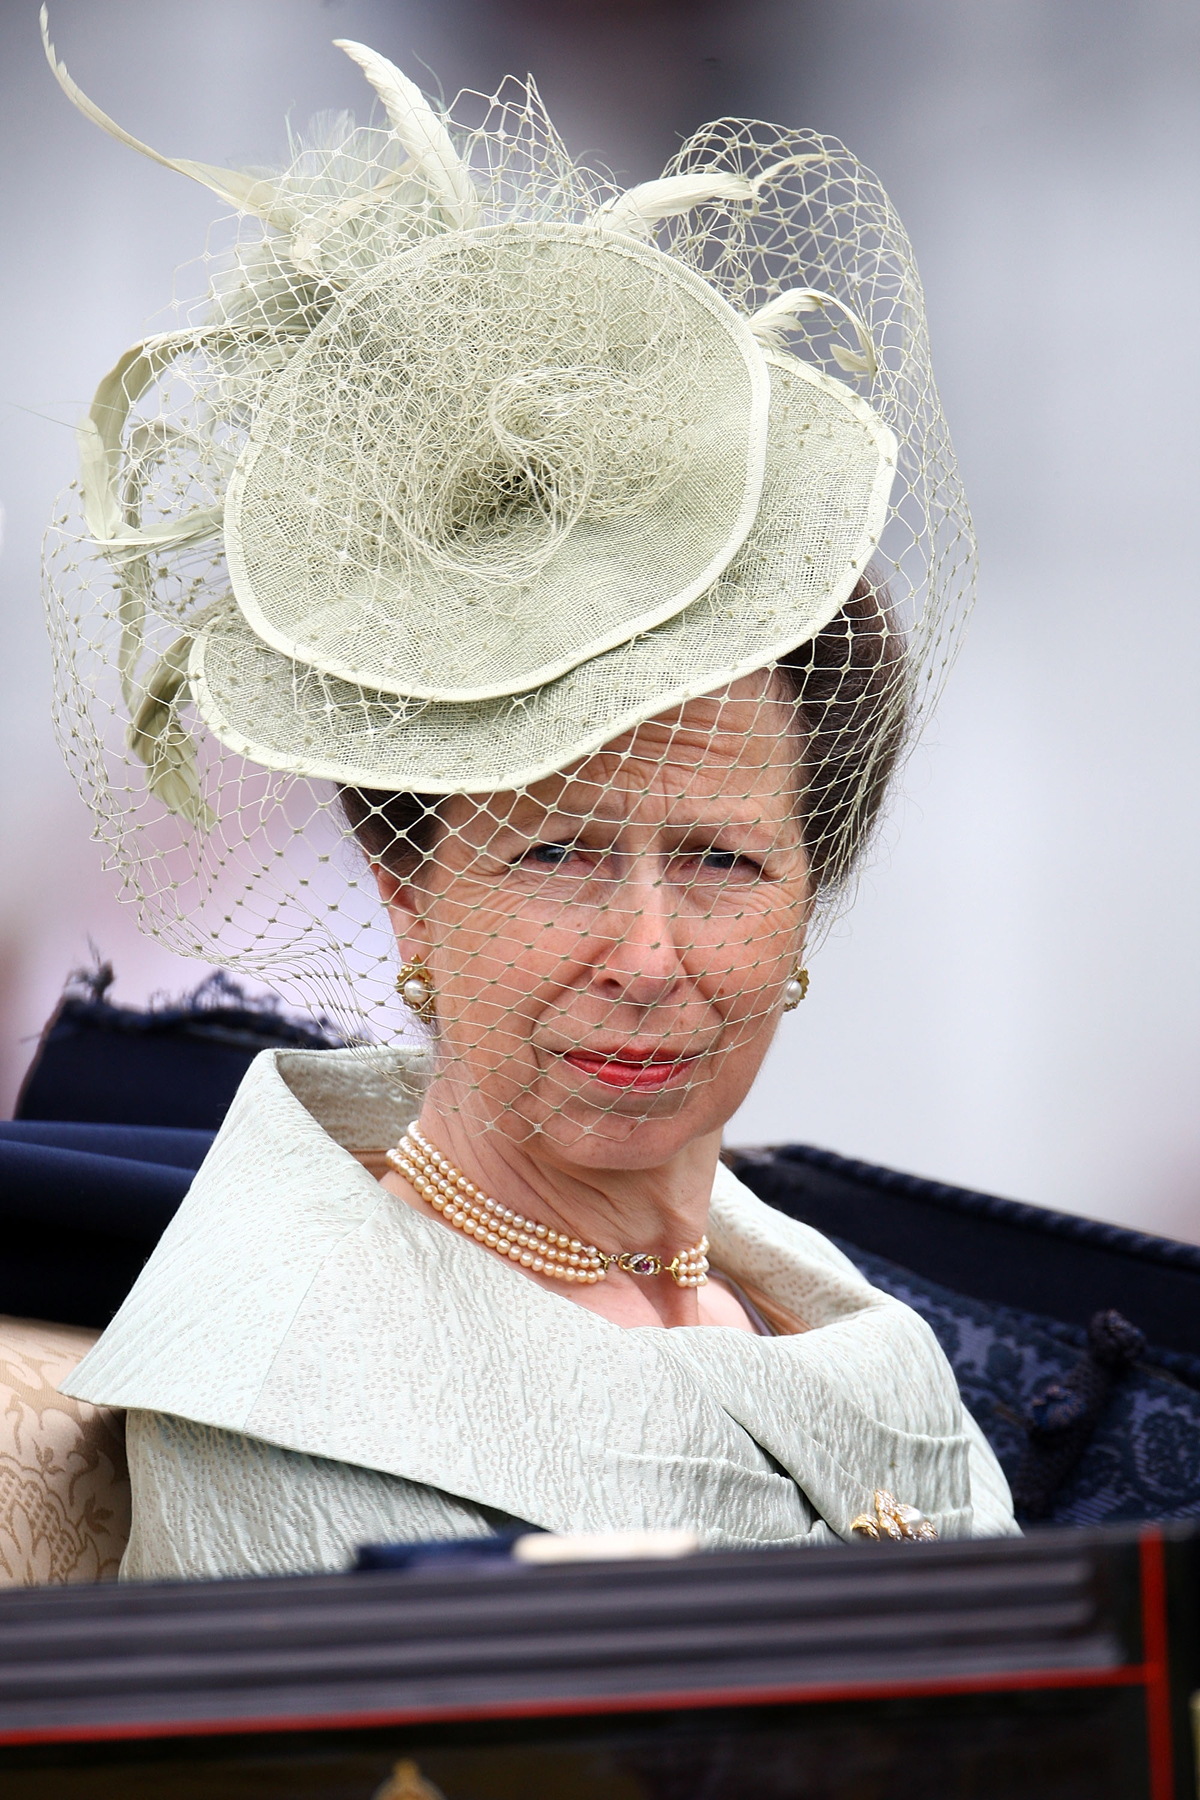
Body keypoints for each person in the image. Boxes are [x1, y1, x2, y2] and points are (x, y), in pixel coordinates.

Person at [41, 19, 1018, 1576]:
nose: (648, 954)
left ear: (809, 894)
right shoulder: (288, 1382)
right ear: (403, 881)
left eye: (722, 862)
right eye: (559, 852)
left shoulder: (862, 1336)